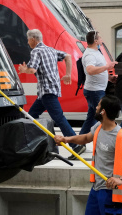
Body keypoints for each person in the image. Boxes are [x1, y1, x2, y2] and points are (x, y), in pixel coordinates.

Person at [54, 95, 122, 215]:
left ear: (103, 111)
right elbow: (85, 138)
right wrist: (66, 139)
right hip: (96, 188)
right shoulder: (98, 127)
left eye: (98, 105)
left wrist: (121, 179)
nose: (96, 107)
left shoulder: (121, 136)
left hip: (109, 191)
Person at [18, 29, 86, 158]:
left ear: (33, 39)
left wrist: (23, 69)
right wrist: (67, 74)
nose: (28, 43)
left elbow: (32, 70)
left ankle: (76, 145)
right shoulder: (50, 50)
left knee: (59, 118)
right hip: (48, 91)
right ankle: (40, 145)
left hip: (46, 91)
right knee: (31, 116)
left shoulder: (36, 51)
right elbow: (68, 56)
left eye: (28, 40)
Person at [79, 31, 117, 136]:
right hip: (94, 91)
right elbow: (90, 70)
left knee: (91, 118)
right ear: (95, 41)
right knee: (103, 117)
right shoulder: (90, 54)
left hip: (96, 90)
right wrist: (107, 66)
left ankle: (79, 143)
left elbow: (98, 69)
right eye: (100, 38)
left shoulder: (96, 52)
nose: (102, 40)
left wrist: (109, 77)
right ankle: (107, 140)